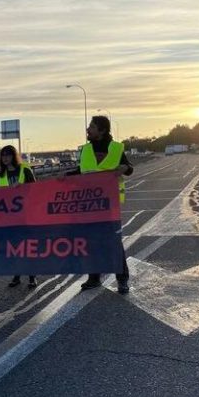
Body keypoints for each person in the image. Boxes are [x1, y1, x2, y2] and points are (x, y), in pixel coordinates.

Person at [70, 115, 133, 294]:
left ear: (102, 130)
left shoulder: (115, 148)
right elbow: (82, 171)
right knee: (91, 242)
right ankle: (94, 278)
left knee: (113, 242)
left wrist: (124, 168)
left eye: (91, 126)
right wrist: (65, 177)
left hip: (109, 205)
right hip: (89, 204)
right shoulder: (86, 150)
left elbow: (129, 167)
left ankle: (122, 279)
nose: (88, 129)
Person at [0, 145, 38, 289]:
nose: (5, 158)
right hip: (10, 217)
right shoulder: (1, 175)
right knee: (14, 248)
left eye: (8, 155)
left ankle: (32, 277)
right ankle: (17, 276)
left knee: (27, 247)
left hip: (26, 215)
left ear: (14, 156)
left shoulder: (25, 170)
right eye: (3, 155)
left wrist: (22, 189)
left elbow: (36, 190)